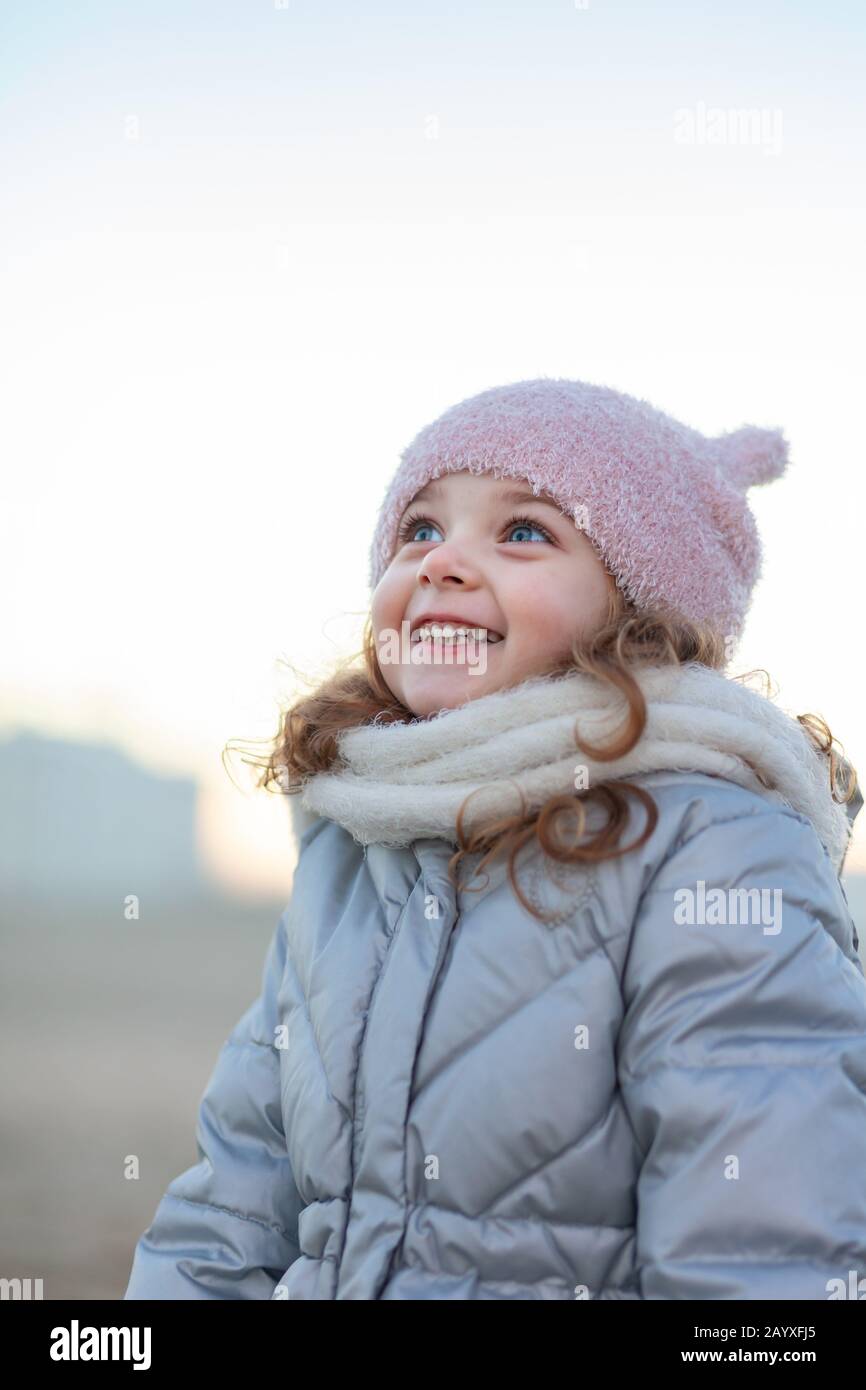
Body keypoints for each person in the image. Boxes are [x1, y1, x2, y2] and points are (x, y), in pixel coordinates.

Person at [124, 377, 866, 1300]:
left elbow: (763, 1246)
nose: (442, 562)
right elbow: (233, 1200)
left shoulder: (715, 847)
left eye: (524, 532)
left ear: (641, 612)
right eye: (420, 530)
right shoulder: (354, 854)